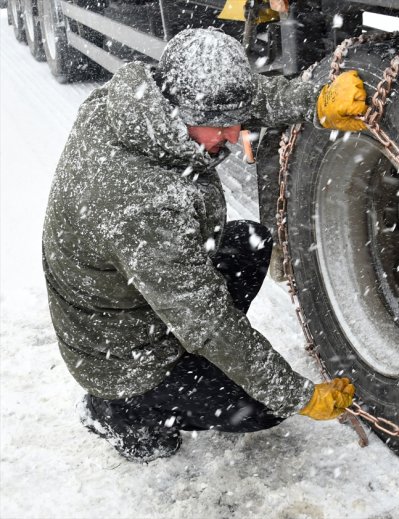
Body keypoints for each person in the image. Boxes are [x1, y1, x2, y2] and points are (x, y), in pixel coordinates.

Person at [42, 28, 365, 462]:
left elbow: (240, 103)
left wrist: (315, 101)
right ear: (179, 111)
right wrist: (298, 395)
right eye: (221, 126)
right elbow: (209, 320)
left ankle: (192, 367)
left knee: (249, 242)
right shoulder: (140, 204)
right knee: (263, 406)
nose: (234, 136)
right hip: (120, 356)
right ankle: (119, 413)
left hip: (136, 298)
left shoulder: (141, 105)